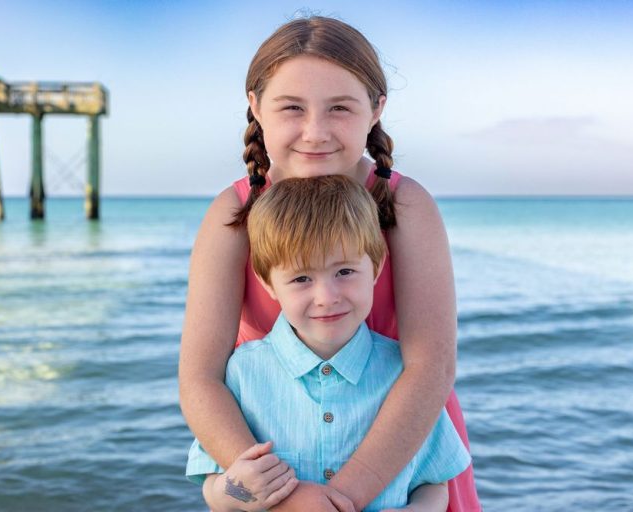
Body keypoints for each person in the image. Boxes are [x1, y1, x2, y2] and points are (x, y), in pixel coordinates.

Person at [178, 15, 482, 512]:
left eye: (339, 107)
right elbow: (200, 379)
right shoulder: (233, 215)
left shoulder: (406, 206)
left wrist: (344, 498)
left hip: (400, 460)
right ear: (256, 106)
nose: (315, 132)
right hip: (280, 473)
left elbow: (431, 367)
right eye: (291, 107)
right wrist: (281, 494)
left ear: (376, 108)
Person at [187, 175, 471, 511]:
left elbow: (433, 484)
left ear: (376, 267)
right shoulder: (243, 374)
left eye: (344, 272)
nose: (326, 297)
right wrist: (238, 491)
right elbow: (214, 489)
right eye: (301, 278)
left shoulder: (404, 376)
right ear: (268, 283)